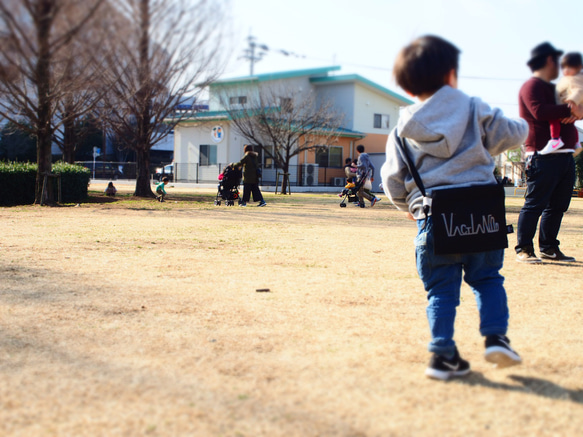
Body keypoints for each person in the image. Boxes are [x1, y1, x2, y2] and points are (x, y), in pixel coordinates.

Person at [381, 35, 528, 380]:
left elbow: (392, 182)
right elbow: (510, 133)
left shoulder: (401, 132)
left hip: (432, 218)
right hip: (482, 215)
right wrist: (524, 124)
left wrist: (409, 205)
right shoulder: (475, 108)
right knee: (488, 279)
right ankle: (496, 338)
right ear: (451, 74)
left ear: (406, 83)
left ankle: (442, 355)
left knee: (441, 292)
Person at [515, 42, 583, 263]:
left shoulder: (555, 88)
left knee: (558, 206)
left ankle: (549, 247)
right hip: (542, 156)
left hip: (565, 156)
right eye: (556, 61)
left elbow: (576, 106)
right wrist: (570, 109)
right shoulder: (531, 86)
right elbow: (539, 111)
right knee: (535, 204)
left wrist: (576, 111)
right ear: (548, 61)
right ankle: (523, 249)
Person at [540, 51, 583, 155]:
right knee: (571, 124)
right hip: (569, 106)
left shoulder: (575, 79)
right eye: (564, 68)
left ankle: (555, 139)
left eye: (569, 68)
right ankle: (576, 142)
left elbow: (578, 91)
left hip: (567, 105)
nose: (565, 70)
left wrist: (573, 101)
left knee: (553, 117)